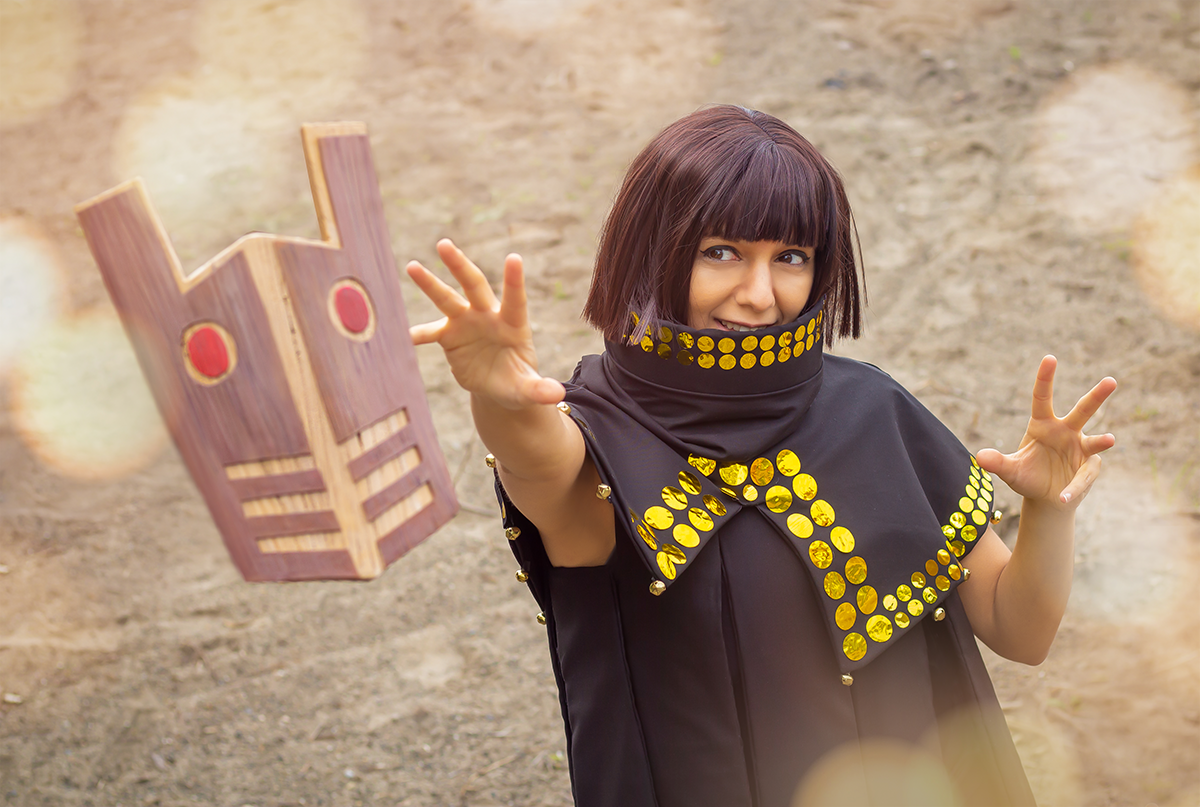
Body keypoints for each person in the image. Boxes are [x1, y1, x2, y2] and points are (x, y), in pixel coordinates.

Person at [405, 105, 1117, 807]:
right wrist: (501, 397)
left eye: (790, 258)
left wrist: (1049, 508)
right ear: (652, 248)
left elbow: (1020, 630)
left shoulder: (876, 410)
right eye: (721, 252)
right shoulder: (600, 436)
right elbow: (537, 460)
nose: (758, 294)